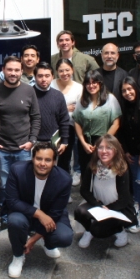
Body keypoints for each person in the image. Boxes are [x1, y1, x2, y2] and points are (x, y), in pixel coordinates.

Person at [4, 142, 73, 278]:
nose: (42, 163)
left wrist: (34, 239)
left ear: (54, 162)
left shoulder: (64, 179)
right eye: (39, 158)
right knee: (15, 221)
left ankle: (49, 243)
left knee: (64, 237)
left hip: (51, 216)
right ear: (32, 158)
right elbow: (12, 201)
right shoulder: (17, 170)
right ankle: (18, 256)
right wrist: (39, 214)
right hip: (25, 214)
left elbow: (56, 212)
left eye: (48, 160)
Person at [0, 56, 41, 228]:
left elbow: (36, 117)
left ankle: (26, 218)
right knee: (4, 186)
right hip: (2, 149)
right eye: (9, 69)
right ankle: (4, 217)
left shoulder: (29, 90)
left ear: (22, 71)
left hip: (23, 148)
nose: (13, 73)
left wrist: (32, 140)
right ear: (3, 70)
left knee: (25, 186)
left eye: (17, 70)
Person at [74, 134, 137, 249]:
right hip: (100, 204)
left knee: (98, 231)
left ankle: (120, 231)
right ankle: (88, 231)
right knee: (79, 212)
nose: (104, 151)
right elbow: (84, 190)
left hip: (118, 208)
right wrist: (97, 204)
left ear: (116, 150)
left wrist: (109, 208)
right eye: (100, 147)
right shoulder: (92, 165)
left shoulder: (122, 168)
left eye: (109, 148)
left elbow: (124, 199)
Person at [118, 77, 140, 233]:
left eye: (130, 89)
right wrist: (125, 151)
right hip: (130, 153)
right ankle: (137, 206)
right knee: (134, 182)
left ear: (136, 88)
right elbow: (121, 131)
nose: (127, 93)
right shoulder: (123, 106)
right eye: (124, 90)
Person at [73, 70, 121, 175]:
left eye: (94, 82)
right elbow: (77, 122)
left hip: (105, 142)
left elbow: (116, 123)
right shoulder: (82, 100)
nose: (91, 85)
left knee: (103, 173)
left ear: (100, 83)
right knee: (86, 173)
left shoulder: (110, 99)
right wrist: (83, 142)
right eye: (88, 83)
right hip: (86, 143)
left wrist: (101, 143)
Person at [51, 59, 83, 188]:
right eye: (61, 70)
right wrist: (65, 107)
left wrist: (60, 108)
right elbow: (48, 106)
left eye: (67, 70)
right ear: (57, 72)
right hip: (51, 127)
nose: (64, 73)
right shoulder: (51, 85)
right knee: (50, 158)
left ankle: (63, 188)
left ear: (72, 70)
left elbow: (79, 109)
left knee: (65, 159)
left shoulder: (78, 87)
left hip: (70, 127)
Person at [33, 62, 69, 155]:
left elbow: (64, 120)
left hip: (53, 142)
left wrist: (64, 141)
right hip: (32, 143)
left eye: (47, 76)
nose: (44, 79)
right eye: (40, 76)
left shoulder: (58, 95)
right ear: (35, 77)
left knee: (51, 169)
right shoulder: (29, 94)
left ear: (52, 77)